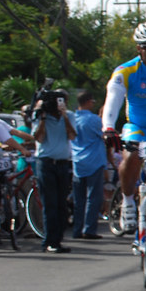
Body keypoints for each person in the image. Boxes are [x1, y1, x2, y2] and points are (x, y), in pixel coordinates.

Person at [101, 22, 146, 232]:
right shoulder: (126, 71)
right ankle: (128, 200)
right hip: (138, 127)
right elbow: (113, 99)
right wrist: (108, 127)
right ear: (138, 48)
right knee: (131, 155)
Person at [32, 88, 76, 253]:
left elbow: (72, 136)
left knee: (61, 205)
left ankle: (58, 239)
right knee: (50, 203)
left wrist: (64, 116)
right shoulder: (41, 116)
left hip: (63, 164)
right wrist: (43, 116)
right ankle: (49, 241)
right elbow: (39, 138)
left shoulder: (69, 116)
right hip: (46, 163)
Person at [70, 91, 108, 240]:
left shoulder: (71, 119)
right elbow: (105, 135)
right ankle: (89, 229)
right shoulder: (93, 120)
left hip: (77, 162)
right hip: (94, 161)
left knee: (78, 199)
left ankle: (77, 229)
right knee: (94, 197)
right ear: (88, 102)